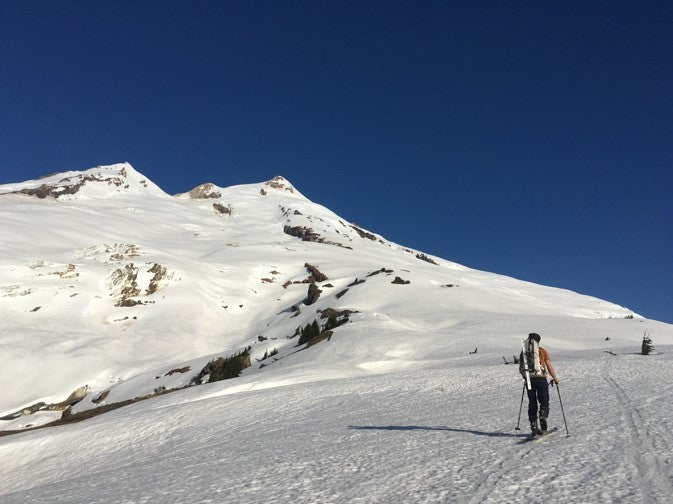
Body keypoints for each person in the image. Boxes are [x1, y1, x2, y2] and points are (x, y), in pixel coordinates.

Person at [519, 332, 560, 436]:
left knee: (532, 402)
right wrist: (555, 378)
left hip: (529, 380)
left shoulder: (523, 352)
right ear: (538, 341)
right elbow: (549, 366)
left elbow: (521, 368)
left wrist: (525, 377)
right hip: (541, 378)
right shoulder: (542, 351)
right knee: (544, 400)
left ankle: (533, 425)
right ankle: (542, 414)